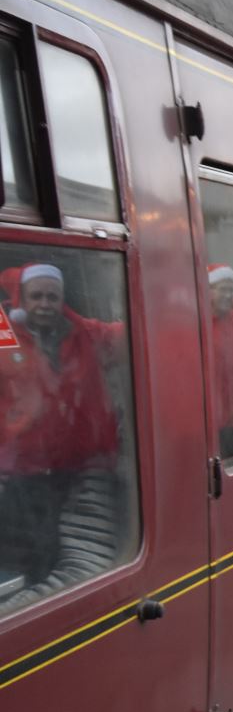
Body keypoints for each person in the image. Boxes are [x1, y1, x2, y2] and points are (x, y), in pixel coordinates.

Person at [0, 262, 126, 614]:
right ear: (21, 299)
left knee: (73, 557)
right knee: (21, 555)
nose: (45, 304)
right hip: (20, 470)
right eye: (36, 296)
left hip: (77, 469)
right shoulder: (2, 335)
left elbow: (134, 333)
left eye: (52, 297)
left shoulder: (85, 333)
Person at [207, 263, 233, 461]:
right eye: (223, 289)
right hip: (213, 423)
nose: (228, 295)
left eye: (231, 290)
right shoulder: (198, 324)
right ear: (207, 291)